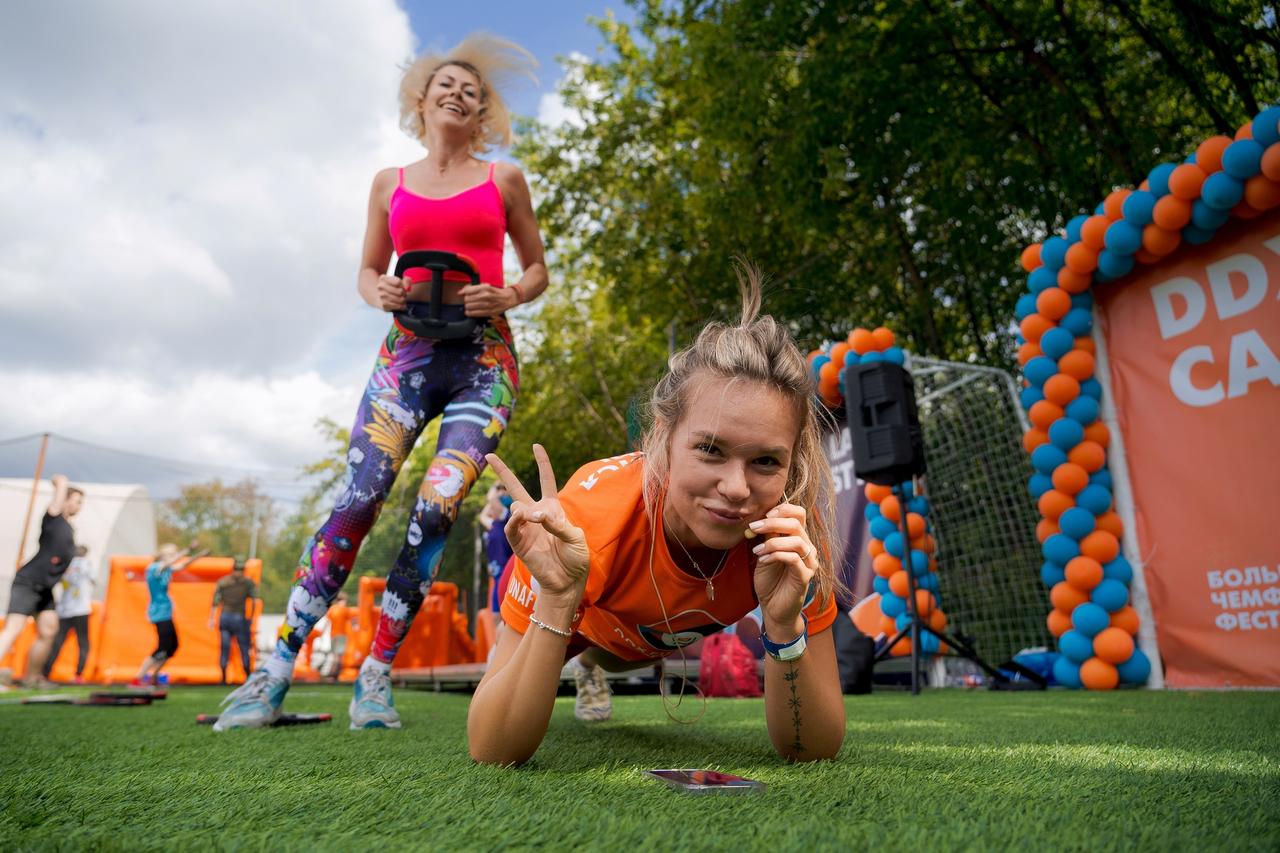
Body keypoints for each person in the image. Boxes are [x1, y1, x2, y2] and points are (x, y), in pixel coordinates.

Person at [215, 33, 546, 731]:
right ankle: (272, 672)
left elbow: (537, 269)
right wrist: (381, 291)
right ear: (420, 101)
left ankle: (375, 676)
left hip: (483, 364)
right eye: (445, 85)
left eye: (471, 90)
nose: (458, 93)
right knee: (359, 500)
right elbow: (368, 270)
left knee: (438, 505)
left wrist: (509, 296)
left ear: (482, 112)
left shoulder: (504, 180)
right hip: (406, 358)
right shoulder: (388, 183)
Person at [468, 266, 847, 766]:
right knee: (598, 655)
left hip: (648, 642)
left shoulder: (787, 534)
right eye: (710, 449)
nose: (736, 489)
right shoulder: (586, 523)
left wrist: (783, 625)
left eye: (765, 461)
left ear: (792, 462)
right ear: (663, 439)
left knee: (624, 659)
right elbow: (490, 749)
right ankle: (587, 664)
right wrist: (559, 600)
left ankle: (599, 665)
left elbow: (814, 751)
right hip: (585, 625)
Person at [0, 474, 82, 688]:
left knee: (49, 630)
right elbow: (60, 486)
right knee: (13, 629)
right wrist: (62, 483)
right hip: (28, 582)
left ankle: (32, 678)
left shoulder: (68, 527)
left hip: (45, 588)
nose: (79, 505)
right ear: (64, 500)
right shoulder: (54, 517)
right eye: (76, 500)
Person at [133, 542, 207, 686]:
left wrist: (198, 556)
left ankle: (154, 676)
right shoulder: (154, 568)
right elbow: (168, 564)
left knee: (173, 646)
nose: (174, 557)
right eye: (171, 554)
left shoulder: (167, 569)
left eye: (174, 554)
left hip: (166, 613)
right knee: (162, 646)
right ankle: (139, 677)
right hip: (158, 613)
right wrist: (188, 549)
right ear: (162, 555)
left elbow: (181, 566)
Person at [42, 545, 95, 684]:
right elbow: (93, 580)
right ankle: (78, 675)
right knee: (83, 643)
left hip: (64, 610)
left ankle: (45, 673)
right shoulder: (85, 564)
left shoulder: (64, 564)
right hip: (81, 610)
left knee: (58, 642)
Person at [208, 559, 260, 684]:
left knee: (225, 648)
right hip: (239, 618)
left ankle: (223, 678)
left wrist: (211, 618)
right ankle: (248, 676)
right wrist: (251, 617)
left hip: (224, 617)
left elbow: (215, 602)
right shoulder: (248, 583)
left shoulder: (223, 582)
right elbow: (254, 601)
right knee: (244, 647)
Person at [477, 483, 514, 613]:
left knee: (503, 609)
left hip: (505, 569)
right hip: (496, 571)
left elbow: (492, 499)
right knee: (495, 612)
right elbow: (483, 515)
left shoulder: (506, 516)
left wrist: (496, 489)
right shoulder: (493, 524)